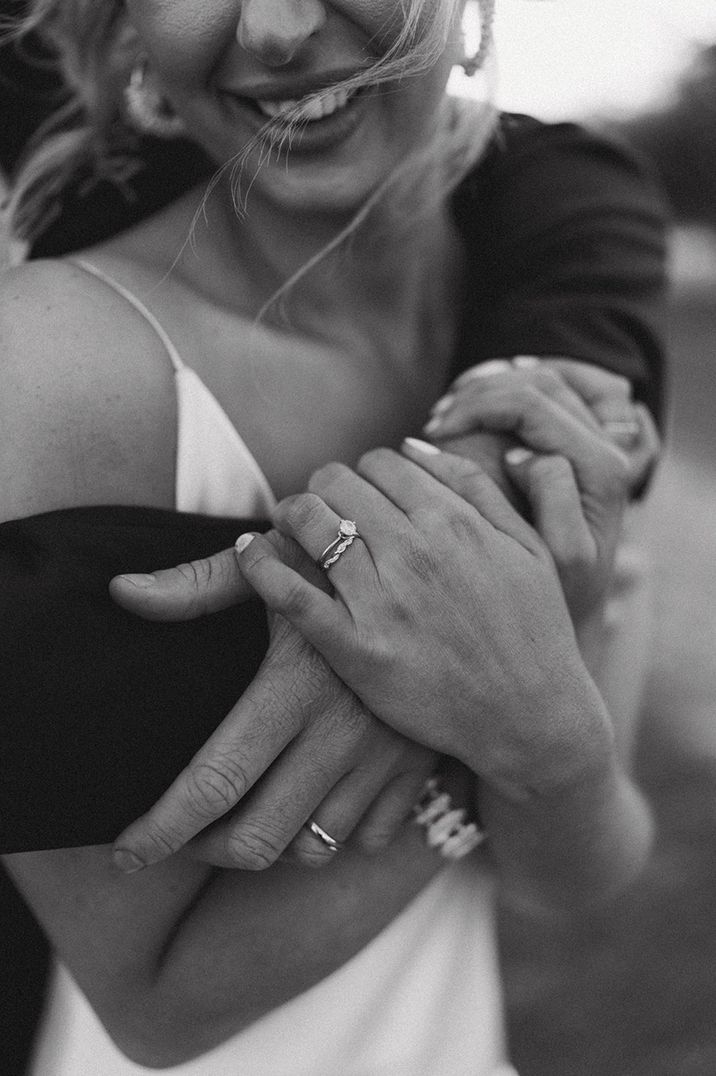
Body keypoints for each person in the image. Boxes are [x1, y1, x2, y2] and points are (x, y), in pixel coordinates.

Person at [0, 0, 667, 1073]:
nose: (271, 28)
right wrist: (488, 705)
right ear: (122, 29)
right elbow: (157, 1005)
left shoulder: (545, 384)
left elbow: (577, 883)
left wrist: (548, 740)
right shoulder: (51, 369)